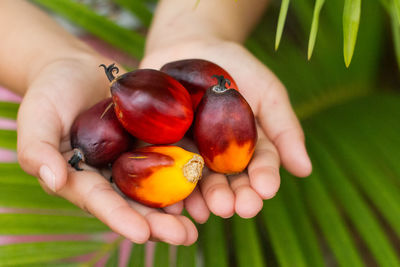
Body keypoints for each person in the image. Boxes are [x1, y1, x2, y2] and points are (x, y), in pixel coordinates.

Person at [0, 0, 312, 245]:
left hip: (175, 26)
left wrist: (198, 28)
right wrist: (44, 61)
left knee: (145, 235)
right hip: (18, 55)